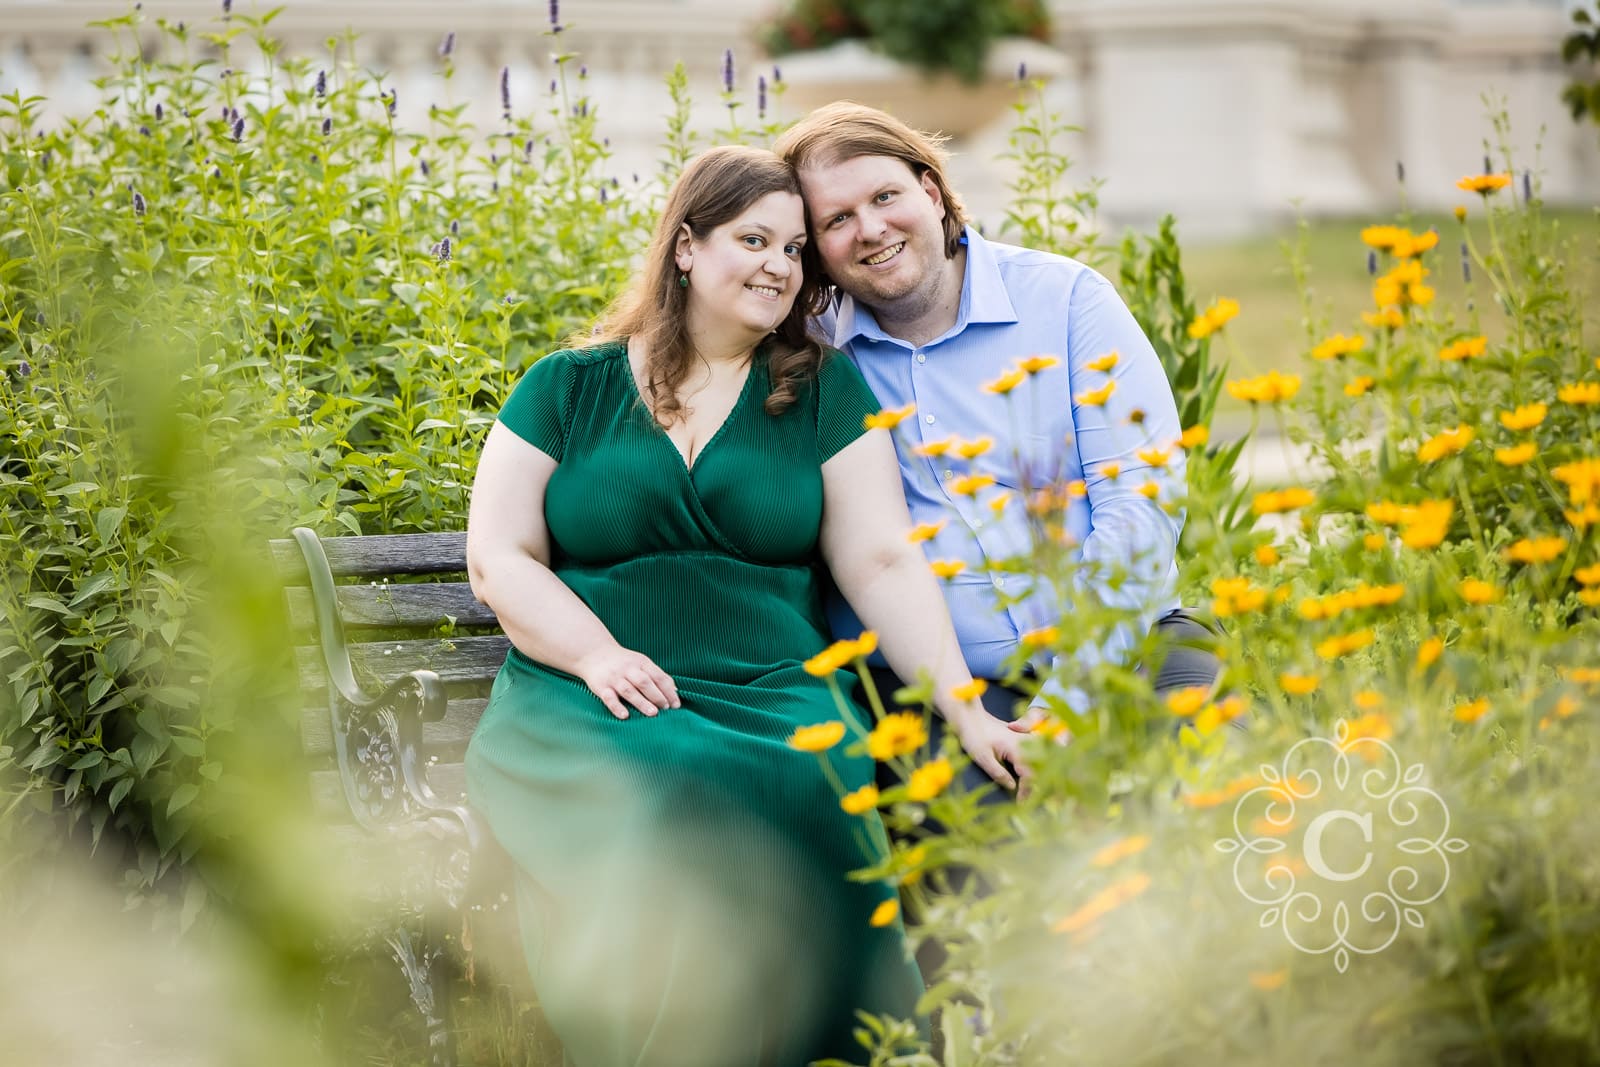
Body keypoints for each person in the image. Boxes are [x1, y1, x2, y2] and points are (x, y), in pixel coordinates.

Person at [462, 145, 1029, 1067]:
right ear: (686, 246)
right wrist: (596, 654)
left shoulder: (820, 389)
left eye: (797, 248)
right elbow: (500, 556)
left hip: (774, 686)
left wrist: (963, 706)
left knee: (810, 783)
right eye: (753, 239)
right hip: (590, 691)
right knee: (671, 797)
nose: (780, 264)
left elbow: (882, 558)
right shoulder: (567, 387)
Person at [775, 104, 1220, 793]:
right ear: (814, 249)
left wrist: (1074, 691)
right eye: (836, 220)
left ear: (929, 190)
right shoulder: (812, 357)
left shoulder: (1068, 301)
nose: (870, 229)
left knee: (1218, 800)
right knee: (980, 866)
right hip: (937, 686)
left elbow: (1142, 499)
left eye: (885, 196)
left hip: (1129, 644)